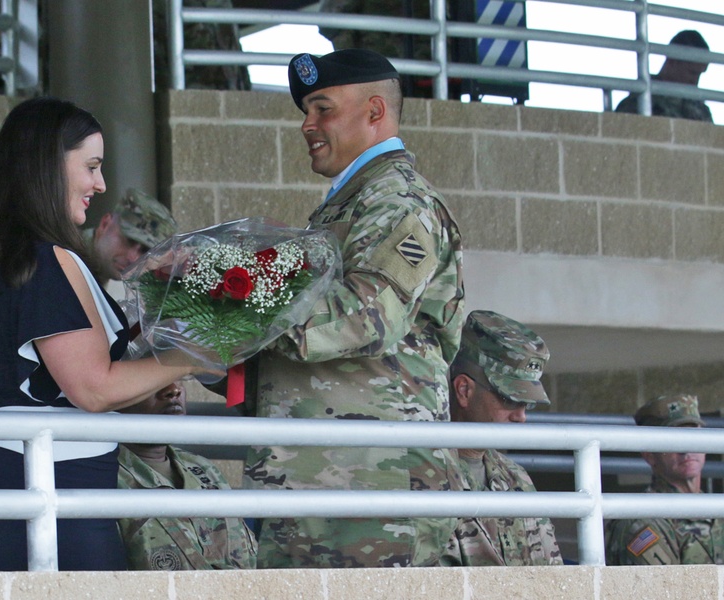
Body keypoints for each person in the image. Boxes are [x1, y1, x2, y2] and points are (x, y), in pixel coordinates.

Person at [0, 96, 215, 572]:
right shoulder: (47, 258)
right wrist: (197, 353)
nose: (100, 183)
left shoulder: (17, 252)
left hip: (39, 483)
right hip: (40, 487)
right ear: (48, 165)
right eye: (91, 166)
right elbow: (92, 388)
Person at [242, 48, 465, 568]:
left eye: (323, 109)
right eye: (306, 111)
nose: (307, 125)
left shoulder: (398, 200)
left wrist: (235, 307)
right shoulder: (351, 203)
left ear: (374, 112)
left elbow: (366, 316)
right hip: (321, 486)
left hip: (374, 489)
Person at [0, 188, 178, 487]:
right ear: (106, 223)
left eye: (146, 251)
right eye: (130, 241)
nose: (133, 256)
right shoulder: (61, 257)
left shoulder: (92, 270)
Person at [440, 310, 562, 567]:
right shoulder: (425, 474)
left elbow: (551, 575)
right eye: (509, 399)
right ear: (463, 390)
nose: (521, 417)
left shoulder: (515, 477)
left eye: (527, 404)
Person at [117, 380, 257, 570]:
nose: (173, 390)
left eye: (179, 378)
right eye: (152, 379)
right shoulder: (106, 481)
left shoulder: (202, 467)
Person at [605, 394, 724, 565]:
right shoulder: (641, 520)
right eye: (674, 440)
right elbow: (666, 590)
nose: (687, 448)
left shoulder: (716, 509)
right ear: (650, 455)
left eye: (693, 435)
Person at [614, 30, 714, 123]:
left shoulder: (700, 110)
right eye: (692, 72)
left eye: (700, 74)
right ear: (672, 61)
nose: (695, 80)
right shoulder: (639, 103)